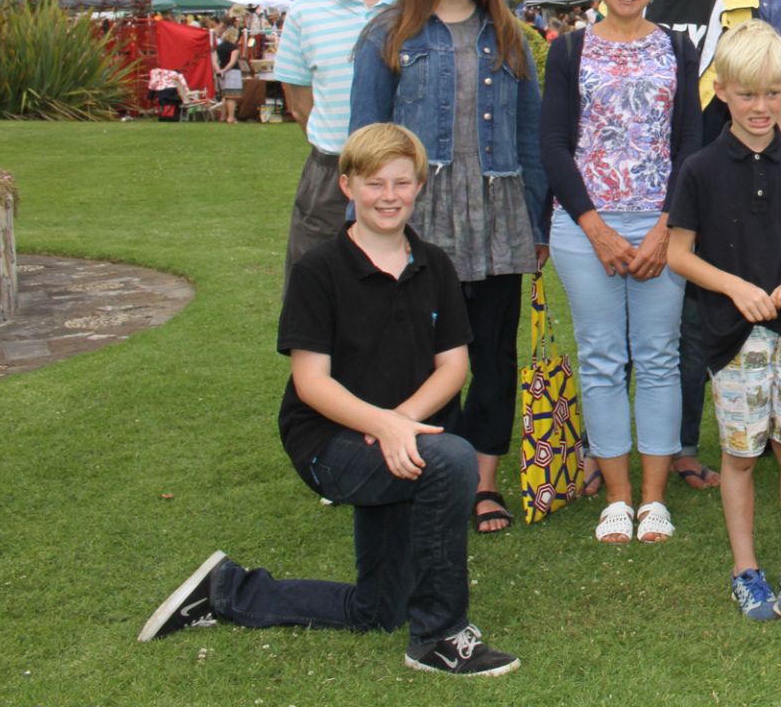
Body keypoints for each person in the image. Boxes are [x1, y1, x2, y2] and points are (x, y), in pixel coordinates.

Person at [139, 124, 519, 677]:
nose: (389, 196)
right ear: (347, 186)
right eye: (374, 183)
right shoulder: (320, 269)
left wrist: (399, 423)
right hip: (333, 443)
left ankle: (227, 591)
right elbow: (312, 382)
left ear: (419, 187)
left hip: (401, 440)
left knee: (379, 610)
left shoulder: (435, 264)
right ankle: (440, 636)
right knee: (455, 458)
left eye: (402, 183)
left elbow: (454, 366)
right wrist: (381, 427)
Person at [350, 0, 548, 536]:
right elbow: (367, 138)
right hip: (418, 220)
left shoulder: (511, 37)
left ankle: (483, 484)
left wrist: (538, 225)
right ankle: (426, 470)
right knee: (418, 355)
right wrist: (367, 227)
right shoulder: (388, 35)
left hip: (497, 217)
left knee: (491, 355)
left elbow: (531, 137)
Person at [667, 21, 781, 622]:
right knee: (741, 457)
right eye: (747, 93)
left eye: (774, 92)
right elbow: (678, 253)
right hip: (731, 338)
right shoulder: (698, 169)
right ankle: (746, 570)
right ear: (721, 91)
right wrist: (736, 287)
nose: (761, 106)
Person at [542, 0, 704, 547]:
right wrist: (594, 227)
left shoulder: (676, 48)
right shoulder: (569, 49)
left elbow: (690, 142)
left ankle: (655, 497)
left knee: (660, 358)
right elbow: (554, 144)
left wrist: (668, 224)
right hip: (587, 224)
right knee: (603, 357)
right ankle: (617, 495)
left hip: (661, 222)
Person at [638, 0, 761, 492]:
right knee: (627, 327)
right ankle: (607, 447)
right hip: (633, 186)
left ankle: (682, 445)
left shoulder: (738, 3)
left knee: (691, 326)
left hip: (714, 180)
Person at [273, 0, 399, 290]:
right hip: (331, 177)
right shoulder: (306, 11)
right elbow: (299, 104)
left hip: (408, 176)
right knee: (317, 301)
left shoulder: (417, 4)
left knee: (406, 301)